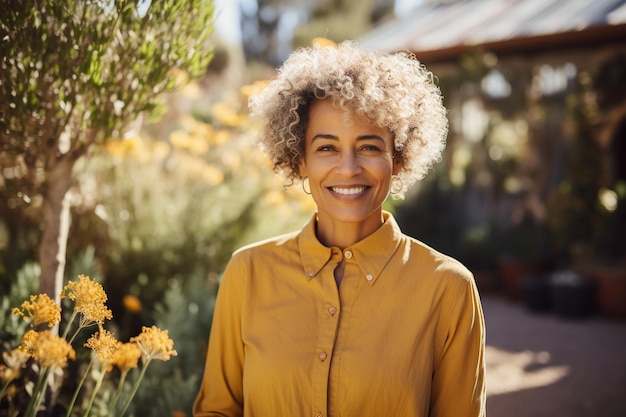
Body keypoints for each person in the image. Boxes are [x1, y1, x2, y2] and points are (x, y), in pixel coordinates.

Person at [193, 40, 486, 417]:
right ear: (301, 161)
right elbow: (218, 410)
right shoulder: (247, 273)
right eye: (327, 148)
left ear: (396, 160)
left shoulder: (448, 289)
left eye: (368, 147)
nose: (348, 169)